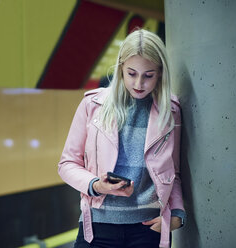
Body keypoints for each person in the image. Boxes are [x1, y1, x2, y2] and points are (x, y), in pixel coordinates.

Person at [58, 29, 186, 248]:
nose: (139, 83)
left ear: (160, 73)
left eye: (149, 75)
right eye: (131, 73)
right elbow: (67, 164)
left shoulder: (171, 111)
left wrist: (177, 213)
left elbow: (172, 172)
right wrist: (96, 185)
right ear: (120, 69)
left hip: (148, 229)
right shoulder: (93, 105)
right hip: (98, 228)